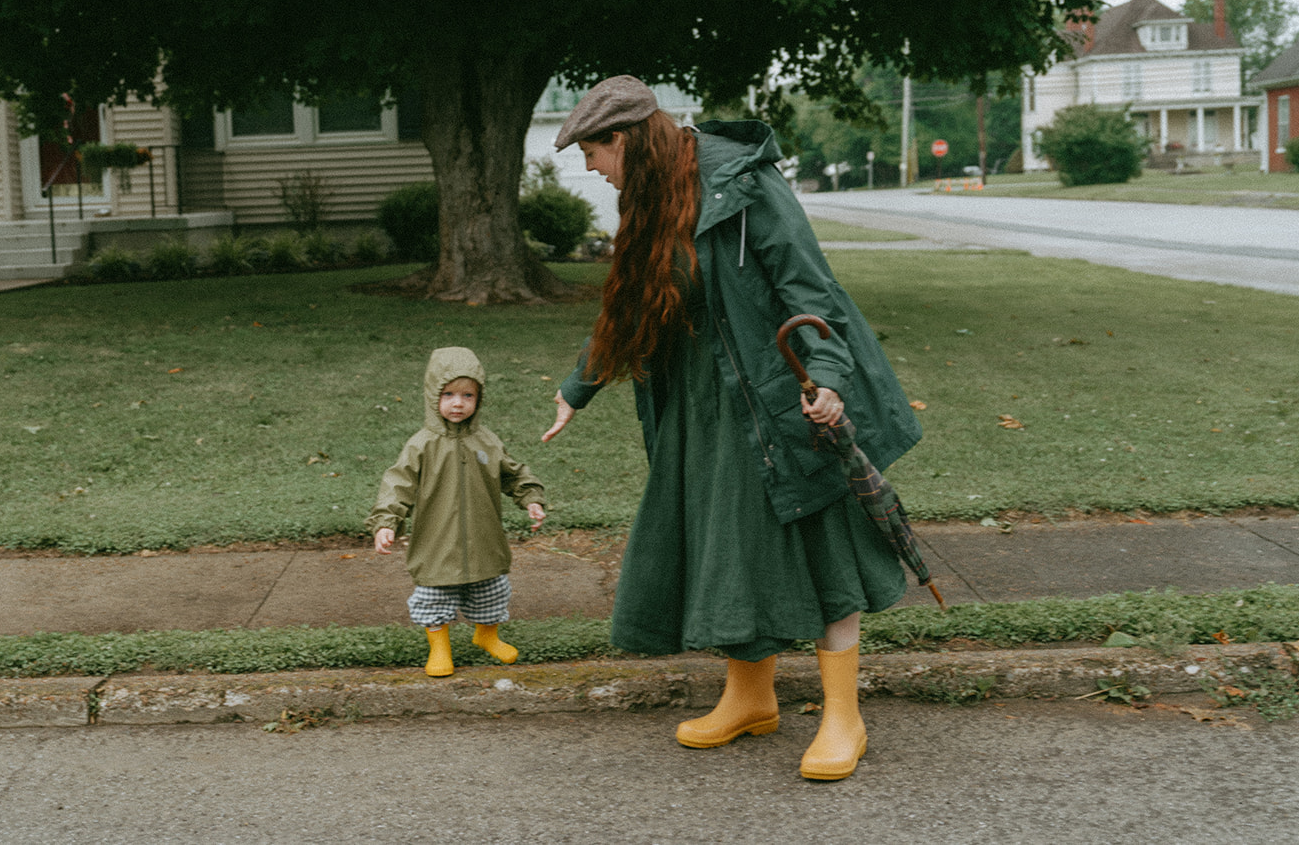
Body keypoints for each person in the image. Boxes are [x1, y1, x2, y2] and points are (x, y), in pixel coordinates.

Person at [541, 75, 921, 780]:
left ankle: (844, 716)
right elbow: (632, 305)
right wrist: (578, 387)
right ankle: (750, 695)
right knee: (729, 547)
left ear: (621, 140)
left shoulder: (745, 185)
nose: (591, 167)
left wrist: (829, 377)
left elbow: (812, 289)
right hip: (701, 407)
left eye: (592, 152)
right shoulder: (651, 197)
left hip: (779, 398)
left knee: (823, 550)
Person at [371, 346, 547, 677]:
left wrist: (531, 498)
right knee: (434, 595)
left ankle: (487, 635)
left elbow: (513, 473)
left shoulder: (487, 441)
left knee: (491, 591)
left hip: (483, 538)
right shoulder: (421, 445)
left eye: (468, 395)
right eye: (449, 394)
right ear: (432, 396)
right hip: (436, 541)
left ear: (478, 399)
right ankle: (439, 647)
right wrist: (386, 521)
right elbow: (398, 484)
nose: (457, 403)